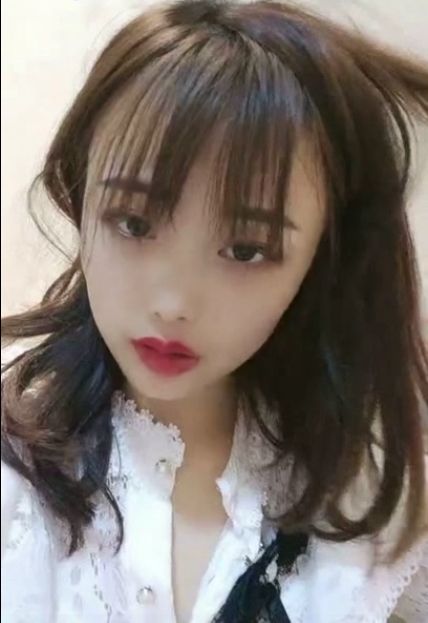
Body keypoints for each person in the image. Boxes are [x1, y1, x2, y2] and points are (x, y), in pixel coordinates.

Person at [1, 1, 427, 621]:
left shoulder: (368, 498)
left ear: (322, 257)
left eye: (246, 250)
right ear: (80, 193)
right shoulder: (16, 476)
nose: (172, 304)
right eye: (133, 223)